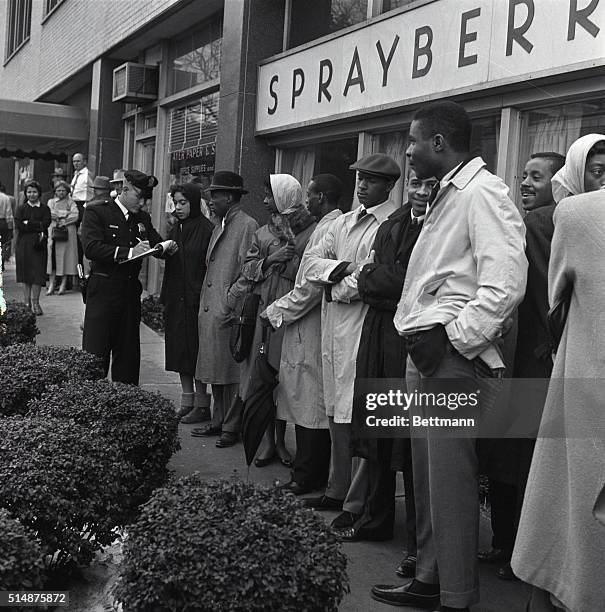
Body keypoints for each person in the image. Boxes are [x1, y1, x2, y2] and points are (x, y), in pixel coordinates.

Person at [373, 101, 527, 612]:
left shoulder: (484, 192)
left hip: (452, 360)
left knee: (451, 482)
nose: (408, 152)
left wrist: (454, 337)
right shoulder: (449, 192)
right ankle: (429, 580)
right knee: (428, 479)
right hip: (429, 354)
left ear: (439, 142)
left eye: (413, 142)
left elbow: (504, 285)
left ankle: (455, 597)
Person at [511, 133, 605, 612]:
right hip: (564, 371)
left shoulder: (572, 215)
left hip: (577, 373)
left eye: (536, 177)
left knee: (566, 502)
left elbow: (554, 297)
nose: (525, 184)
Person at [479, 151, 565, 581]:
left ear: (559, 182)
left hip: (525, 362)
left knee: (513, 460)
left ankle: (510, 548)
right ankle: (514, 549)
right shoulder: (541, 224)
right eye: (524, 175)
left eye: (537, 176)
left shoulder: (537, 225)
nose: (526, 184)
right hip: (533, 362)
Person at [303, 154, 400, 533]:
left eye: (372, 180)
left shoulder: (389, 225)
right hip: (333, 326)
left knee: (355, 412)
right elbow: (310, 265)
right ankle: (338, 487)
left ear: (388, 186)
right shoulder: (343, 221)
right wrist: (343, 270)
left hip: (363, 326)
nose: (362, 185)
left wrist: (339, 283)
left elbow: (372, 280)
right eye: (360, 178)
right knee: (335, 410)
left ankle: (357, 501)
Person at [344, 170, 436, 551]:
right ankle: (376, 518)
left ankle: (419, 545)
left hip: (412, 344)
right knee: (379, 434)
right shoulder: (395, 222)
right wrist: (378, 279)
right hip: (379, 337)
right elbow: (372, 281)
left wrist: (377, 279)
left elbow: (411, 283)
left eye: (429, 185)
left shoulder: (439, 226)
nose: (420, 191)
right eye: (415, 183)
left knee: (412, 445)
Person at [263, 174, 344, 494]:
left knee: (310, 404)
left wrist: (275, 312)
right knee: (308, 402)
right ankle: (309, 472)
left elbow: (310, 286)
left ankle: (306, 476)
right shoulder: (329, 225)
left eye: (309, 195)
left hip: (310, 326)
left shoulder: (326, 228)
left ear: (321, 198)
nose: (305, 200)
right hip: (310, 324)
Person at [234, 174, 316, 464]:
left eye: (271, 195)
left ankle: (282, 441)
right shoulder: (263, 233)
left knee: (284, 377)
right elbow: (247, 270)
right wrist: (271, 259)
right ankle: (268, 441)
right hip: (264, 310)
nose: (267, 201)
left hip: (293, 310)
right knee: (263, 375)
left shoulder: (310, 230)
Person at [81, 169, 177, 384]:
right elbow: (92, 247)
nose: (142, 203)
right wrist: (130, 252)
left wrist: (163, 247)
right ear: (123, 190)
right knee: (96, 353)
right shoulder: (98, 212)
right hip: (104, 288)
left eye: (145, 198)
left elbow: (154, 240)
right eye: (138, 197)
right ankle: (90, 400)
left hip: (129, 292)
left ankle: (126, 404)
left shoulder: (141, 217)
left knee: (128, 354)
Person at [192, 171, 258, 448]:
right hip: (212, 307)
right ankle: (219, 420)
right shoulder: (219, 224)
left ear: (228, 197)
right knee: (215, 370)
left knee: (229, 372)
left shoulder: (246, 225)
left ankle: (232, 426)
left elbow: (250, 268)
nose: (210, 200)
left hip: (227, 309)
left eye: (214, 195)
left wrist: (230, 299)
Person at [160, 183, 214, 421]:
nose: (178, 207)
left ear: (193, 202)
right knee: (180, 351)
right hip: (176, 298)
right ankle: (187, 400)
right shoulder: (176, 228)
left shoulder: (206, 229)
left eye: (183, 202)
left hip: (195, 300)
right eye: (176, 202)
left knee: (196, 351)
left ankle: (202, 405)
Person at [14, 180, 52, 315]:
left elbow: (46, 224)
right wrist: (36, 224)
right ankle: (26, 303)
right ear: (25, 193)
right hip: (23, 245)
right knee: (25, 274)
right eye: (29, 192)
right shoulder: (21, 208)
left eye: (34, 192)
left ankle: (36, 303)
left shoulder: (45, 209)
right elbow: (19, 224)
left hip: (39, 245)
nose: (32, 195)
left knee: (37, 274)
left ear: (39, 193)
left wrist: (28, 223)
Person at [46, 180, 79, 295]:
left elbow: (75, 215)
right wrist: (65, 214)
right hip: (54, 232)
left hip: (66, 232)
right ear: (55, 191)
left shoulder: (71, 202)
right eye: (58, 190)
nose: (61, 192)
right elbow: (50, 213)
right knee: (52, 259)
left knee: (66, 258)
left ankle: (63, 284)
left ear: (67, 191)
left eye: (63, 190)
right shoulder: (51, 201)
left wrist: (62, 218)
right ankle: (51, 284)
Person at [0, 183, 14, 269]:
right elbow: (9, 214)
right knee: (2, 244)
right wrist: (10, 228)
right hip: (2, 222)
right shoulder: (5, 198)